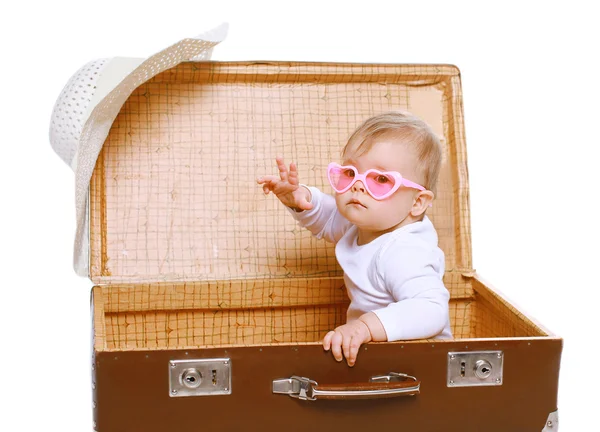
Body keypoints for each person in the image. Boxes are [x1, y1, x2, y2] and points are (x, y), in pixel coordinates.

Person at [257, 112, 452, 367]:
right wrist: (298, 198)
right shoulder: (368, 221)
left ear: (417, 202)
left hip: (423, 362)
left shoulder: (404, 251)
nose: (358, 186)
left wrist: (365, 327)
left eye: (381, 179)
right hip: (380, 359)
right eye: (350, 173)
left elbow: (431, 309)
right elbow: (328, 216)